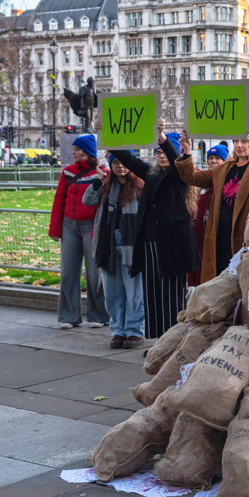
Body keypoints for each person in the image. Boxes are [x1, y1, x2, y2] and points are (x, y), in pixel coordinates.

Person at [104, 120, 201, 340]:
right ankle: (159, 342)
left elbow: (176, 157)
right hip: (149, 242)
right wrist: (106, 135)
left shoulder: (181, 175)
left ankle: (173, 341)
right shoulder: (150, 173)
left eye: (164, 151)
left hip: (173, 245)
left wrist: (163, 138)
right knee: (153, 294)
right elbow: (128, 159)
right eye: (157, 151)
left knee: (171, 296)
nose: (161, 154)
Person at [175, 129, 249, 282]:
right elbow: (191, 177)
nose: (239, 145)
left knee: (242, 283)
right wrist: (187, 152)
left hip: (243, 235)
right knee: (219, 281)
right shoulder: (224, 168)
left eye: (245, 141)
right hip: (219, 235)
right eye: (236, 141)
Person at [84, 153, 145, 349]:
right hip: (108, 244)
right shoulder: (106, 186)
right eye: (116, 163)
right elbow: (87, 200)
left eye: (124, 162)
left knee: (134, 292)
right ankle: (118, 330)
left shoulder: (140, 186)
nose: (120, 166)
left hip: (132, 244)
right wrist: (98, 179)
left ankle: (134, 331)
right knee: (112, 293)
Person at [49, 133, 108, 330]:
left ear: (87, 151)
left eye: (77, 149)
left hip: (92, 226)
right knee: (68, 273)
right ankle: (69, 316)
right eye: (74, 149)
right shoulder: (67, 172)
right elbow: (59, 201)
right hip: (69, 226)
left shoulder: (102, 172)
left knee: (95, 274)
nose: (73, 152)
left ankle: (98, 315)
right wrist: (55, 228)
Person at [186, 145, 228, 287]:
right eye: (211, 158)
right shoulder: (200, 183)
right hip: (199, 241)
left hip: (216, 241)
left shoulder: (226, 184)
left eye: (218, 158)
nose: (214, 161)